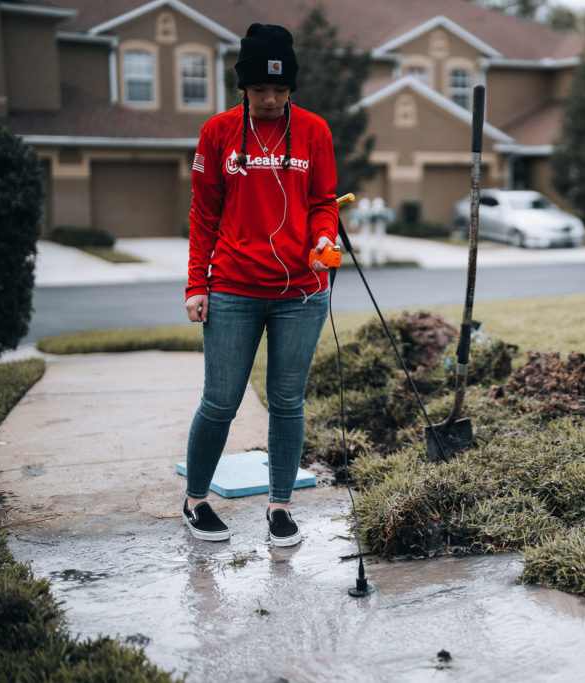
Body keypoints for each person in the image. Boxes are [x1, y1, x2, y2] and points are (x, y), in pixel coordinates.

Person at [182, 23, 339, 546]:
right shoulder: (219, 132)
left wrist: (322, 240)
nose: (270, 100)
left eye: (279, 90)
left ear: (291, 87)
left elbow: (323, 203)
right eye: (259, 90)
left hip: (301, 292)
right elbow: (203, 212)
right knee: (221, 400)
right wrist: (195, 284)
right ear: (243, 88)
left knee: (287, 402)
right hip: (232, 287)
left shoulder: (315, 131)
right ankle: (197, 499)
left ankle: (280, 507)